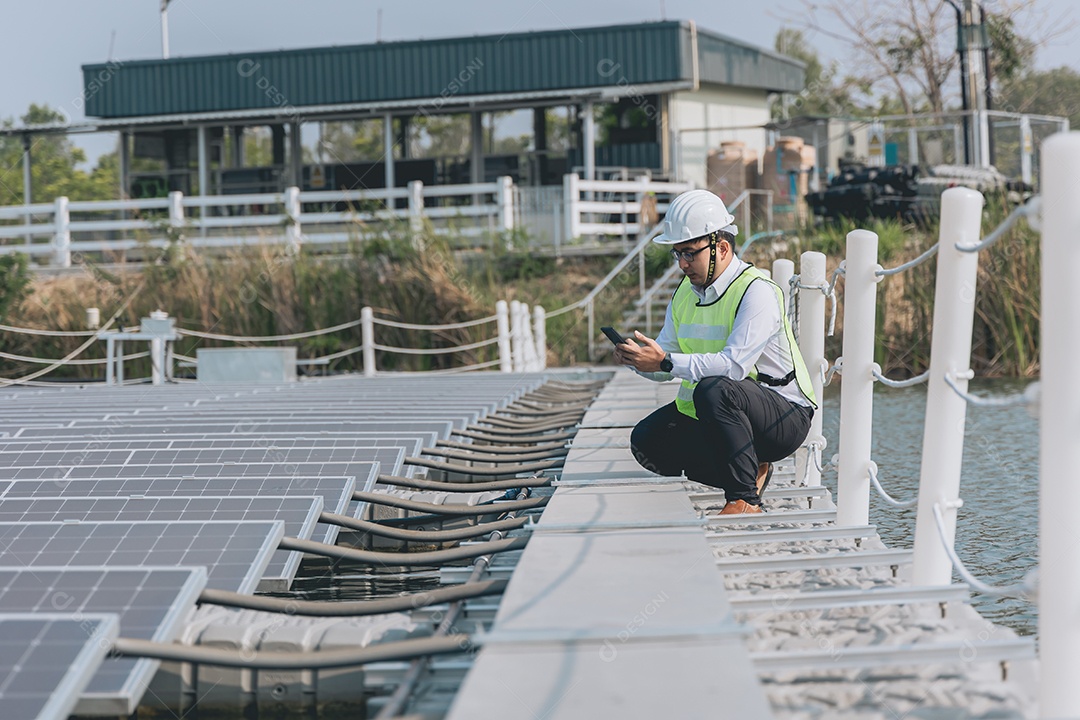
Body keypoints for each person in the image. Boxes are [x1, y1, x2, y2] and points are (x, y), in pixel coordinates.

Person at [614, 189, 817, 514]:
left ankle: (743, 498)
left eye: (690, 253)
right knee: (647, 442)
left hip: (784, 417)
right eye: (677, 254)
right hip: (725, 410)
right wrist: (639, 361)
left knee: (715, 387)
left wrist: (665, 361)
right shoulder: (684, 293)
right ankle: (752, 471)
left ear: (721, 248)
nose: (682, 264)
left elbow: (733, 367)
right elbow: (666, 359)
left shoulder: (757, 291)